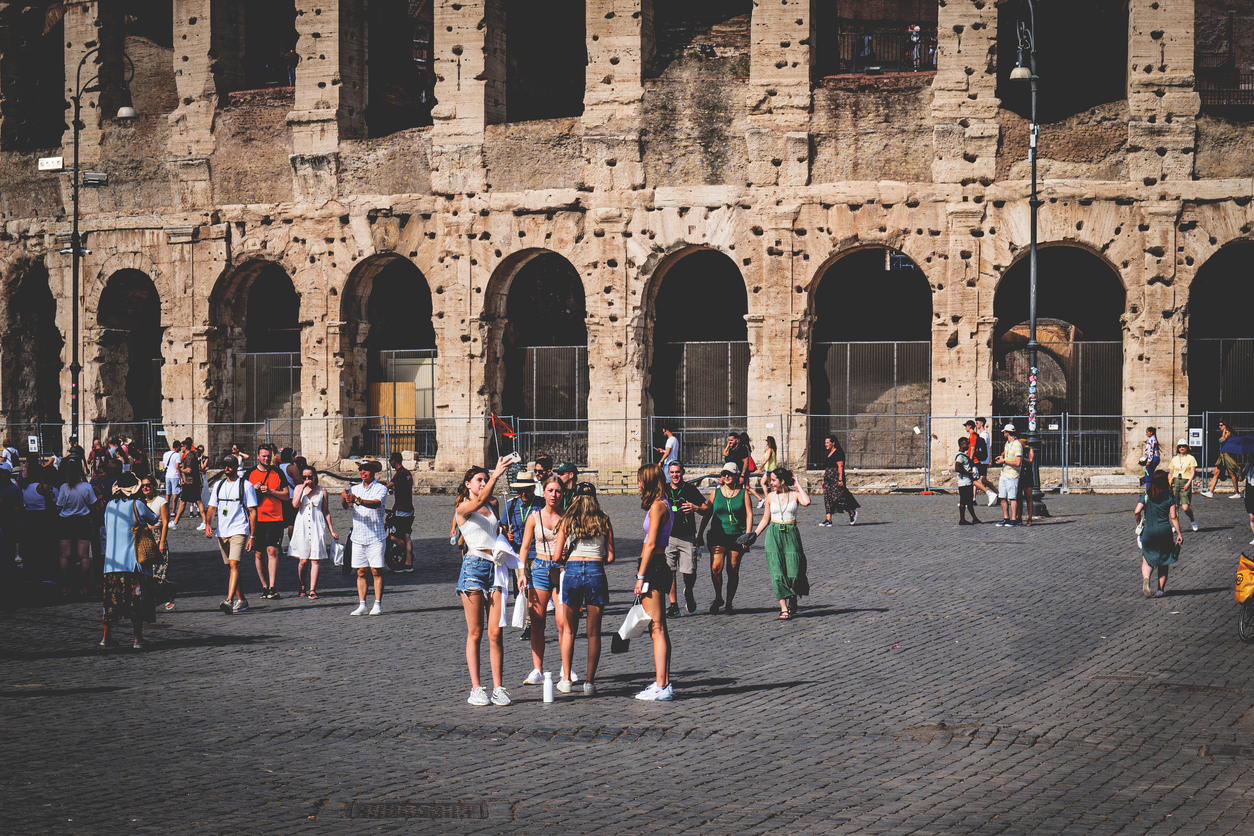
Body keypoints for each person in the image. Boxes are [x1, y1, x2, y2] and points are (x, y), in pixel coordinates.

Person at [453, 457, 516, 707]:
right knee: (476, 632)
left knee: (496, 632)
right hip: (473, 568)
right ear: (468, 484)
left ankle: (499, 687)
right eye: (478, 480)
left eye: (484, 479)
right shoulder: (462, 508)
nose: (482, 483)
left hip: (496, 568)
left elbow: (494, 530)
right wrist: (496, 475)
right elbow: (478, 501)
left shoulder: (491, 505)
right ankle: (476, 687)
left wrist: (504, 535)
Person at [552, 482, 615, 696]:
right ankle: (589, 682)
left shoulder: (567, 520)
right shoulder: (604, 520)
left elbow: (556, 556)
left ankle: (567, 679)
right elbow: (611, 556)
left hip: (572, 570)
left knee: (569, 630)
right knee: (594, 632)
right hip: (596, 570)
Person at [517, 476, 569, 687]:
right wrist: (521, 572)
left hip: (561, 569)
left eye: (557, 491)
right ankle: (537, 668)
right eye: (550, 490)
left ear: (562, 493)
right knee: (537, 621)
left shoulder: (567, 517)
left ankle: (566, 666)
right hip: (538, 568)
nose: (554, 495)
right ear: (544, 492)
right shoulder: (534, 517)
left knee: (562, 620)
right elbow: (524, 547)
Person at [99, 473, 159, 649]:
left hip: (111, 565)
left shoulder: (110, 505)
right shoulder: (137, 504)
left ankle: (105, 637)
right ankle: (137, 639)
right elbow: (154, 518)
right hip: (133, 563)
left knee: (110, 603)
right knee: (135, 603)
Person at [634, 463, 675, 701]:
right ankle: (662, 681)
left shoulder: (659, 505)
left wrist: (640, 575)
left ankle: (662, 685)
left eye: (641, 480)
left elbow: (650, 543)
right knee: (659, 626)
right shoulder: (658, 504)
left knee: (656, 627)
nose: (638, 484)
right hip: (654, 565)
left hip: (655, 565)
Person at [748, 467, 811, 619]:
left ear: (782, 481)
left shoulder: (795, 495)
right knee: (777, 572)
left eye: (774, 480)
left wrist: (797, 485)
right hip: (774, 534)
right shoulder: (770, 496)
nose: (771, 483)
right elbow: (765, 519)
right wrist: (754, 535)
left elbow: (806, 502)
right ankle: (783, 608)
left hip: (791, 534)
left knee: (794, 572)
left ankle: (793, 598)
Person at [206, 455, 258, 614]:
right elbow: (212, 507)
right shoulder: (218, 485)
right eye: (225, 465)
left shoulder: (246, 485)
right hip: (222, 532)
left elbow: (253, 511)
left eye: (230, 465)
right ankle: (242, 600)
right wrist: (208, 524)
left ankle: (229, 600)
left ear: (236, 467)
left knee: (235, 564)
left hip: (239, 530)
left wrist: (252, 536)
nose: (227, 468)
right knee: (232, 567)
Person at [699, 461, 752, 614]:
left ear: (736, 476)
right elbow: (707, 513)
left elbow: (749, 514)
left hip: (737, 535)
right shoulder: (716, 492)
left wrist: (748, 535)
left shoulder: (744, 493)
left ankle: (729, 602)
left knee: (733, 569)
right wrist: (700, 534)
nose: (726, 476)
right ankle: (718, 597)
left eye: (729, 474)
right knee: (716, 567)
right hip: (717, 534)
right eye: (724, 474)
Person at [341, 460, 388, 615]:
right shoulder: (354, 488)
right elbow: (347, 506)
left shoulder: (380, 488)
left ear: (373, 471)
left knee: (376, 570)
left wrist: (357, 500)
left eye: (366, 469)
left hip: (376, 535)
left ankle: (377, 604)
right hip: (359, 535)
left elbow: (375, 503)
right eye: (361, 469)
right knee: (361, 571)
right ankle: (362, 604)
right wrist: (345, 499)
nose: (363, 472)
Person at [664, 461, 708, 615]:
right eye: (672, 472)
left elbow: (706, 509)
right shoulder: (664, 490)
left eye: (677, 472)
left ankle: (688, 591)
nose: (675, 475)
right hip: (668, 537)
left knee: (689, 572)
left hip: (687, 536)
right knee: (669, 571)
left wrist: (695, 508)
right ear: (668, 473)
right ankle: (674, 605)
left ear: (682, 472)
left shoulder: (690, 490)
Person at [248, 446, 290, 599]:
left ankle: (272, 587)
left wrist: (271, 491)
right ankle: (264, 586)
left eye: (268, 456)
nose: (266, 458)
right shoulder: (250, 473)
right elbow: (243, 496)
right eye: (263, 456)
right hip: (256, 519)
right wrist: (254, 488)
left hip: (275, 518)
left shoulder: (277, 472)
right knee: (259, 554)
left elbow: (286, 495)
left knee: (272, 551)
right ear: (258, 456)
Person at [1134, 470, 1184, 598]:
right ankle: (1160, 590)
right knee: (1164, 561)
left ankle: (1146, 579)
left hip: (1149, 531)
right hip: (1164, 531)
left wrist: (1139, 523)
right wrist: (1179, 533)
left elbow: (1136, 511)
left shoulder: (1146, 495)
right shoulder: (1170, 497)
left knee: (1146, 559)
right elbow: (1173, 517)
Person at [290, 465, 337, 599]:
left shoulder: (322, 491)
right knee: (304, 560)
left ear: (314, 476)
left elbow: (326, 512)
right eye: (304, 477)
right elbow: (294, 504)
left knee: (315, 560)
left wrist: (332, 530)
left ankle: (312, 589)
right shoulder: (298, 488)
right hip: (303, 525)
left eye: (309, 477)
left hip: (317, 525)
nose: (307, 479)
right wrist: (303, 488)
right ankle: (302, 583)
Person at [503, 473, 539, 641]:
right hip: (519, 555)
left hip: (539, 553)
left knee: (537, 591)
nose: (524, 495)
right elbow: (502, 526)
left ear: (533, 488)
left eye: (527, 491)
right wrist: (506, 535)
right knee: (523, 591)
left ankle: (536, 623)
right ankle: (529, 625)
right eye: (521, 491)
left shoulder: (541, 504)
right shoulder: (511, 505)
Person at [57, 459, 98, 597]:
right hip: (82, 520)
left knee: (64, 555)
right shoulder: (86, 487)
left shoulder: (64, 487)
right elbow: (93, 504)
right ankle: (85, 586)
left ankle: (65, 586)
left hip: (66, 521)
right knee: (84, 556)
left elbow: (60, 505)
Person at [139, 476, 173, 611]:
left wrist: (162, 541)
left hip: (157, 535)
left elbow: (165, 523)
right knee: (147, 569)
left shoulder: (161, 501)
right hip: (145, 535)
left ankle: (165, 596)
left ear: (153, 486)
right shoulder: (140, 502)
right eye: (143, 486)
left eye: (148, 485)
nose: (145, 488)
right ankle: (151, 598)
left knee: (161, 568)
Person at [820, 433, 860, 526]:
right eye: (825, 443)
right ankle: (828, 519)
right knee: (827, 498)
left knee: (837, 498)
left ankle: (852, 512)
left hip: (836, 478)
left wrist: (840, 479)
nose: (825, 444)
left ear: (833, 443)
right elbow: (827, 468)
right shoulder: (829, 454)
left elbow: (840, 466)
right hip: (828, 479)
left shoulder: (838, 452)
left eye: (827, 443)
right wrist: (823, 480)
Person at [386, 451, 414, 572]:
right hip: (409, 509)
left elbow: (388, 486)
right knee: (407, 536)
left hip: (400, 510)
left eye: (390, 460)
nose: (390, 463)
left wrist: (379, 486)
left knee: (393, 536)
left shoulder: (399, 474)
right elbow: (400, 487)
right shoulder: (408, 473)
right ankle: (408, 563)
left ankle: (407, 554)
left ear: (394, 461)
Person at [1202, 421, 1243, 498]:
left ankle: (1237, 492)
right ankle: (1211, 491)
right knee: (1216, 473)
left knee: (1232, 473)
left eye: (1221, 425)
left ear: (1225, 425)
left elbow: (1226, 442)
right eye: (1219, 425)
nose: (1219, 427)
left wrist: (1224, 433)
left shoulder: (1228, 433)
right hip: (1222, 455)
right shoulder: (1224, 432)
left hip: (1227, 455)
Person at [1167, 439, 1199, 532]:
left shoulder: (1191, 458)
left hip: (1185, 481)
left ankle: (1192, 520)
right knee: (1175, 506)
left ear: (1187, 447)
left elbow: (1192, 472)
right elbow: (1170, 473)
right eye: (1180, 446)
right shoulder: (1174, 459)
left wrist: (1188, 483)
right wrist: (1169, 483)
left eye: (1183, 446)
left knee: (1185, 507)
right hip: (1175, 482)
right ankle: (1175, 525)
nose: (1181, 448)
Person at [995, 423, 1023, 527]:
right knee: (1002, 496)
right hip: (1004, 474)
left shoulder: (1017, 445)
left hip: (1012, 475)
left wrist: (1005, 461)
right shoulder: (1007, 443)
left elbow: (1018, 462)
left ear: (1007, 433)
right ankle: (1006, 518)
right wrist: (1001, 456)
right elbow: (1005, 452)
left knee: (1012, 497)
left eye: (1004, 432)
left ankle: (1014, 519)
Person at [964, 419, 997, 504]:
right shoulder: (977, 435)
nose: (976, 424)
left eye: (977, 423)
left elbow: (975, 448)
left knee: (978, 479)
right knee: (976, 479)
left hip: (981, 460)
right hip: (979, 460)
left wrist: (970, 460)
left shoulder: (981, 435)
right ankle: (973, 498)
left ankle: (993, 493)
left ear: (981, 424)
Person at [955, 437, 980, 525]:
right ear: (962, 445)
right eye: (966, 444)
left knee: (969, 501)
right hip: (964, 482)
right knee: (963, 501)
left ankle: (974, 518)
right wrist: (968, 472)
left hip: (967, 481)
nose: (968, 446)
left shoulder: (964, 455)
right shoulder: (960, 456)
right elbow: (957, 468)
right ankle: (962, 519)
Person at [755, 436, 779, 508]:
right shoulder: (772, 449)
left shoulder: (770, 450)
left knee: (771, 485)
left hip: (770, 470)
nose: (765, 442)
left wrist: (759, 468)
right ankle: (767, 497)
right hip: (768, 470)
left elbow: (766, 459)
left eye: (766, 440)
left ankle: (771, 499)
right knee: (762, 483)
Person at [162, 440, 183, 506]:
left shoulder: (165, 454)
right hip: (175, 476)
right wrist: (181, 477)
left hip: (167, 476)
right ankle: (173, 511)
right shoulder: (177, 455)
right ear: (178, 447)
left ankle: (166, 509)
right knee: (175, 494)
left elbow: (163, 466)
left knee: (167, 494)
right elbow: (177, 467)